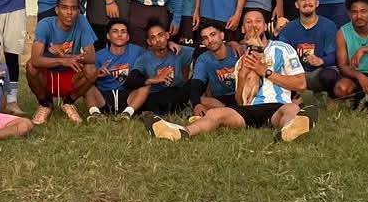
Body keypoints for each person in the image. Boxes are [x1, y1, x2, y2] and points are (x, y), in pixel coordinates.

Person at [143, 10, 315, 142]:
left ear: (265, 26)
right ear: (242, 28)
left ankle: (288, 131)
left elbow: (300, 84)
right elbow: (240, 102)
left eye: (258, 21)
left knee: (292, 110)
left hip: (278, 107)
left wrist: (265, 72)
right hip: (249, 111)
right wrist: (241, 76)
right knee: (215, 114)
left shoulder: (283, 49)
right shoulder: (241, 61)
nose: (253, 25)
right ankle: (179, 132)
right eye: (248, 22)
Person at [26, 0, 98, 125]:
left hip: (70, 73)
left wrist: (68, 57)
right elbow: (35, 59)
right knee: (31, 66)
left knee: (92, 69)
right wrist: (62, 60)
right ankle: (45, 104)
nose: (69, 12)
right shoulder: (45, 24)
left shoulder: (82, 21)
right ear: (57, 10)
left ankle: (69, 103)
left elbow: (91, 56)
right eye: (64, 8)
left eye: (74, 8)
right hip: (48, 74)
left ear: (78, 10)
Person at [276, 0, 339, 100]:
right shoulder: (288, 29)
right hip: (296, 75)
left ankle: (329, 97)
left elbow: (334, 55)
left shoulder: (328, 26)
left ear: (317, 3)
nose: (307, 2)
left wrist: (321, 60)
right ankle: (298, 97)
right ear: (296, 4)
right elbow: (280, 56)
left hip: (319, 72)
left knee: (329, 75)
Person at [85, 19, 149, 121]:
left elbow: (154, 57)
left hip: (128, 98)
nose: (119, 34)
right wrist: (97, 74)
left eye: (123, 31)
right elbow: (88, 78)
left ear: (128, 37)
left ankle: (126, 114)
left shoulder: (138, 51)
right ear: (108, 36)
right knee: (87, 85)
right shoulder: (98, 55)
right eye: (115, 31)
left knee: (145, 86)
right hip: (103, 98)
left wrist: (171, 44)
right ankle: (96, 114)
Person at [129, 21, 194, 115]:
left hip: (178, 93)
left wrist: (173, 43)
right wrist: (154, 80)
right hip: (156, 97)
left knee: (195, 82)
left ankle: (185, 108)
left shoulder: (178, 50)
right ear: (149, 42)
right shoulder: (144, 58)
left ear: (167, 35)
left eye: (160, 35)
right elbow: (131, 80)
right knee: (152, 102)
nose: (158, 40)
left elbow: (203, 51)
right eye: (153, 37)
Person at [190, 23, 239, 118]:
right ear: (203, 43)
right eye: (205, 38)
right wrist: (197, 105)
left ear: (222, 35)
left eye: (213, 35)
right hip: (219, 100)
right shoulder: (203, 58)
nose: (210, 40)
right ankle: (229, 111)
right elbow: (197, 83)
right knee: (200, 100)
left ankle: (229, 111)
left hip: (240, 96)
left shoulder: (237, 51)